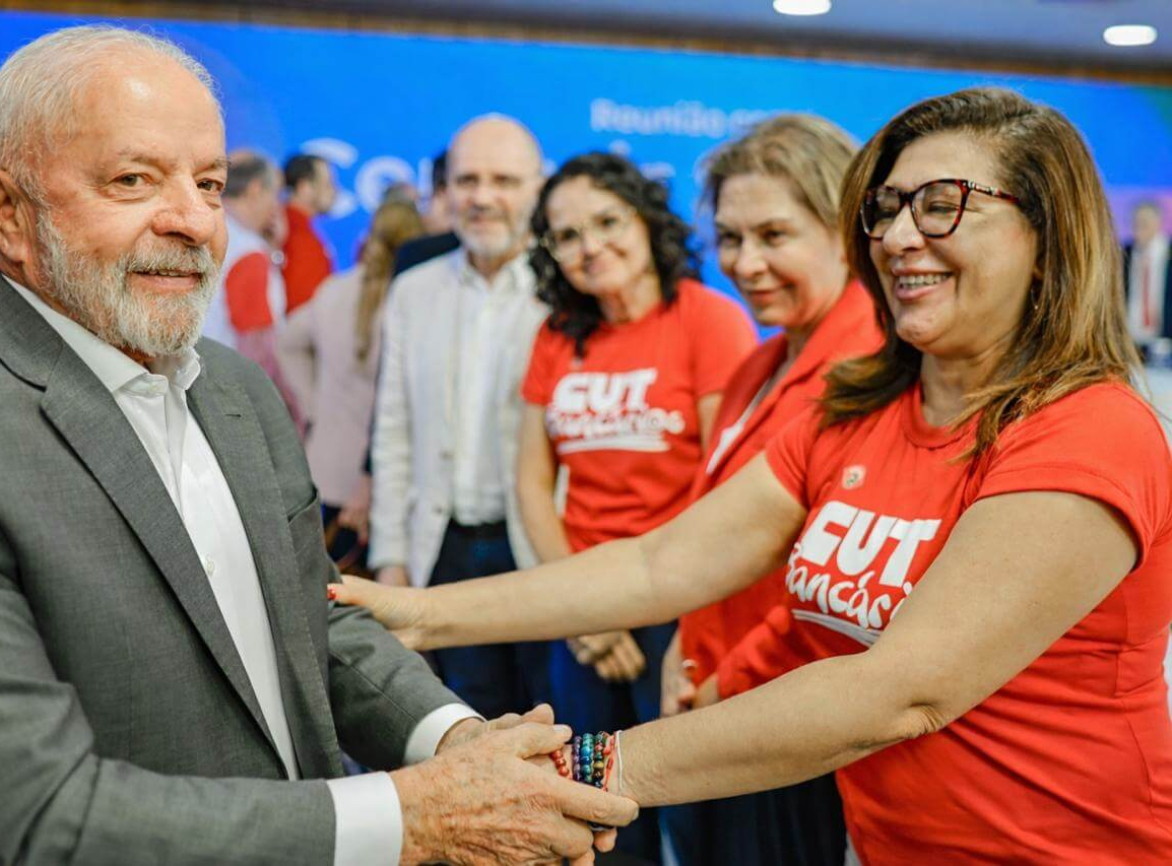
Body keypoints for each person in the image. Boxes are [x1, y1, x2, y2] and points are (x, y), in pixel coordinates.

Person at [337, 87, 1172, 863]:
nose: (900, 236)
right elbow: (659, 563)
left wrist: (576, 768)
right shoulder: (858, 409)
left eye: (943, 203)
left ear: (1049, 231)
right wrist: (419, 612)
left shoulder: (1087, 430)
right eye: (884, 209)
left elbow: (901, 691)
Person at [0, 26, 638, 866]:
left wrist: (455, 740)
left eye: (209, 184)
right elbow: (25, 818)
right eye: (134, 180)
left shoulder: (234, 389)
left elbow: (314, 620)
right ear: (7, 209)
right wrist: (413, 819)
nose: (193, 222)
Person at [519, 152, 755, 861]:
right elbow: (532, 484)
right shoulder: (557, 335)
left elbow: (727, 480)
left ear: (647, 223)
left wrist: (647, 601)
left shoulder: (708, 320)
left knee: (691, 808)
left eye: (607, 222)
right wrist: (582, 610)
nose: (589, 247)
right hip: (584, 612)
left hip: (684, 609)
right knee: (592, 815)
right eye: (566, 235)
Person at [657, 115, 879, 866]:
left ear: (845, 231)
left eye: (773, 236)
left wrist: (732, 680)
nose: (745, 263)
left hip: (785, 715)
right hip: (715, 699)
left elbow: (840, 578)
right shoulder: (763, 361)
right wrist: (685, 648)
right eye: (729, 238)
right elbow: (711, 531)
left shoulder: (877, 367)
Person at [368, 114, 553, 720]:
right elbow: (393, 432)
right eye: (467, 179)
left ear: (538, 187)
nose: (482, 197)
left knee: (558, 720)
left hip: (541, 553)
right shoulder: (413, 290)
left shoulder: (569, 289)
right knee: (470, 725)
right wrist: (390, 558)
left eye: (504, 179)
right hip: (442, 548)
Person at [277, 200, 425, 572]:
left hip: (324, 469)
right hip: (385, 479)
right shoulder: (414, 301)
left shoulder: (333, 290)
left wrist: (315, 404)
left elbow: (287, 342)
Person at [202, 152, 296, 414]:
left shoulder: (208, 231)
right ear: (256, 190)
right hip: (230, 392)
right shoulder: (247, 251)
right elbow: (256, 344)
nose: (277, 207)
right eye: (275, 195)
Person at [282, 152, 337, 312]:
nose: (335, 191)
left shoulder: (295, 229)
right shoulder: (296, 236)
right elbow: (301, 307)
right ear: (304, 187)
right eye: (328, 184)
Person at [394, 150, 461, 277]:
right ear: (443, 191)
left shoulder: (413, 253)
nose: (482, 197)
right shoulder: (414, 255)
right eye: (469, 181)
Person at [1122, 200, 1172, 356]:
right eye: (1135, 222)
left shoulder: (1167, 252)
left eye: (1144, 223)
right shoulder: (1124, 254)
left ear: (1157, 223)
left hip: (1165, 342)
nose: (1139, 228)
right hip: (1131, 342)